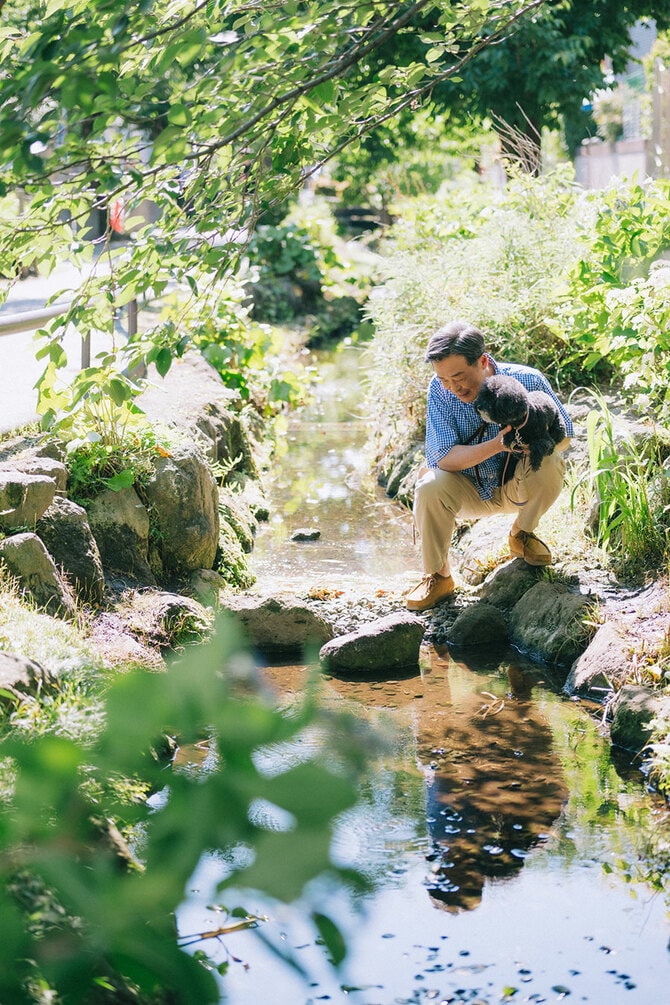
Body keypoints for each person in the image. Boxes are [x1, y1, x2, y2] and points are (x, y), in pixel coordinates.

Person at [405, 320, 573, 612]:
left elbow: (566, 434)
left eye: (459, 377)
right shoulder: (440, 390)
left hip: (518, 484)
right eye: (444, 380)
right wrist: (498, 444)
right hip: (467, 488)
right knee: (429, 484)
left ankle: (522, 533)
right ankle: (439, 576)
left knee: (551, 461)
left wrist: (534, 443)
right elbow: (442, 457)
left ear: (482, 361)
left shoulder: (528, 379)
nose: (453, 387)